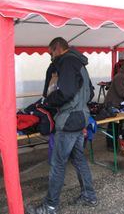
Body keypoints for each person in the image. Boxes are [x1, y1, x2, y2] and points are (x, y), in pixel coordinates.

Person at [27, 37, 98, 214]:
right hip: (81, 118)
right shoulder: (80, 63)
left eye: (51, 53)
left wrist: (48, 100)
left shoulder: (66, 62)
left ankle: (50, 206)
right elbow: (90, 93)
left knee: (58, 164)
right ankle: (89, 196)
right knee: (79, 159)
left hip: (68, 120)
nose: (51, 57)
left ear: (57, 48)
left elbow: (65, 93)